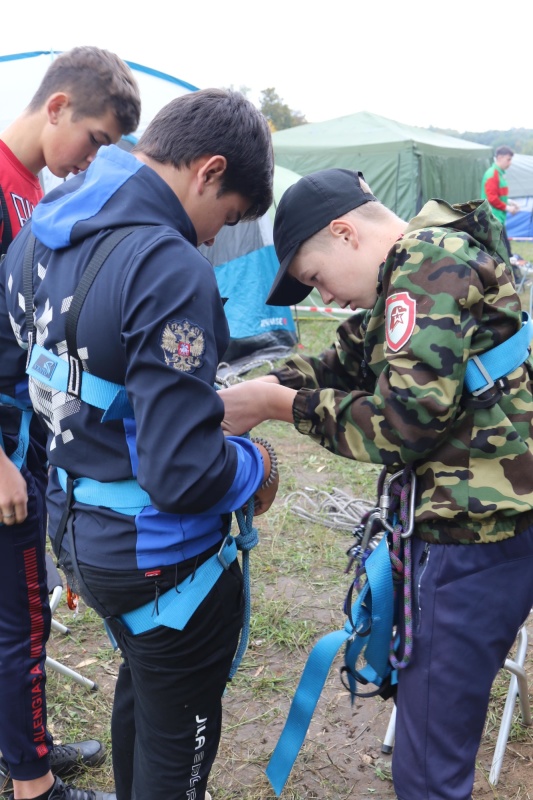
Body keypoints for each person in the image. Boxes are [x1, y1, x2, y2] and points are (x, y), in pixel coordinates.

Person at [219, 168, 533, 800]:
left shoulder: (424, 266)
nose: (327, 297)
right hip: (491, 524)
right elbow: (338, 363)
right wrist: (244, 392)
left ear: (344, 233)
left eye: (315, 277)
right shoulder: (425, 260)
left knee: (426, 762)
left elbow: (403, 424)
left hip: (473, 540)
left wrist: (276, 407)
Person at [3, 87, 277, 800]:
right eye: (231, 216)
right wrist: (258, 464)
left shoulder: (37, 234)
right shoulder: (166, 263)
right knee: (176, 720)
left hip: (77, 531)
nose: (218, 237)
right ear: (209, 170)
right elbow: (181, 474)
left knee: (148, 677)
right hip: (157, 553)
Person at [0, 45, 142, 800]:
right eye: (95, 141)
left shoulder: (31, 189)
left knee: (17, 610)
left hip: (29, 432)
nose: (91, 163)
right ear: (57, 107)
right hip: (3, 451)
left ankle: (24, 742)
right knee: (23, 617)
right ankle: (34, 784)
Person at [480, 144, 519, 260]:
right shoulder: (492, 174)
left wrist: (511, 202)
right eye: (508, 159)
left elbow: (499, 195)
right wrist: (508, 208)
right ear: (500, 158)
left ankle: (510, 274)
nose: (510, 162)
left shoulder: (500, 174)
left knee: (505, 250)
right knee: (503, 252)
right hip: (493, 219)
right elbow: (492, 198)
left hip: (499, 219)